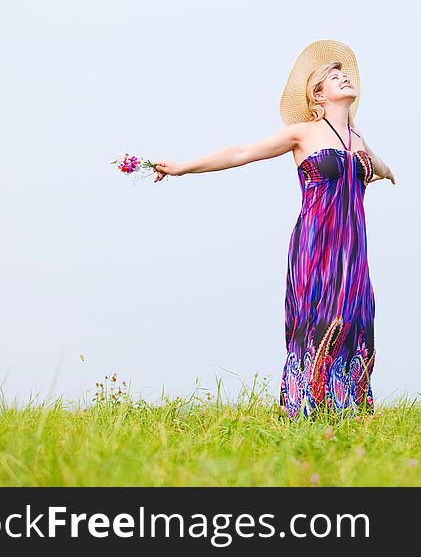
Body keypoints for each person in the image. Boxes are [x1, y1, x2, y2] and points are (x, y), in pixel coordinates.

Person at [153, 40, 395, 421]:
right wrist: (182, 167)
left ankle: (348, 412)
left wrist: (387, 171)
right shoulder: (303, 133)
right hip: (317, 244)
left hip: (353, 248)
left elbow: (375, 164)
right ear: (318, 94)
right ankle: (305, 411)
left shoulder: (358, 139)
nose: (346, 78)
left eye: (345, 74)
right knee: (320, 319)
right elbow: (239, 152)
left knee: (356, 319)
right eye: (335, 76)